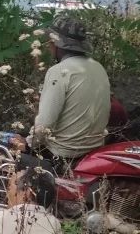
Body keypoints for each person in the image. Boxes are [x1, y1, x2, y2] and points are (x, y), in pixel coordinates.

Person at [31, 15, 110, 169]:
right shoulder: (98, 67)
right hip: (94, 150)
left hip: (63, 154)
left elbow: (44, 125)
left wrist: (30, 143)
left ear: (56, 43)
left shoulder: (59, 71)